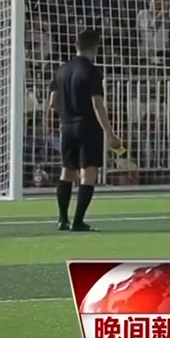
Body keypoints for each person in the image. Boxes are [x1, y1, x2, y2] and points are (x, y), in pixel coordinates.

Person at [48, 29, 123, 231]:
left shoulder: (61, 70)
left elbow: (52, 102)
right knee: (88, 174)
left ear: (76, 45)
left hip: (67, 125)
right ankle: (78, 221)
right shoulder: (92, 71)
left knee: (67, 172)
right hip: (87, 126)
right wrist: (110, 133)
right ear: (96, 47)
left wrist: (66, 116)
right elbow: (97, 104)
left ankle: (62, 218)